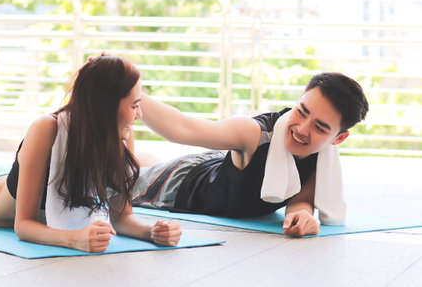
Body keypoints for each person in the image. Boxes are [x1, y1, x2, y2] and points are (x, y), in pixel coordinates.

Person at [0, 55, 181, 252]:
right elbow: (24, 224)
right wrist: (74, 239)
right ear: (106, 106)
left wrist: (153, 232)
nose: (140, 115)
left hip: (2, 173)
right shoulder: (46, 128)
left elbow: (122, 218)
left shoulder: (122, 136)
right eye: (134, 106)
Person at [133, 72, 369, 237]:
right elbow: (182, 128)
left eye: (319, 128)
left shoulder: (323, 157)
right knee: (112, 177)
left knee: (136, 163)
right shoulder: (253, 134)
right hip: (183, 184)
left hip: (213, 168)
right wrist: (127, 89)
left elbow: (300, 201)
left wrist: (303, 217)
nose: (302, 129)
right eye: (302, 111)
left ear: (338, 139)